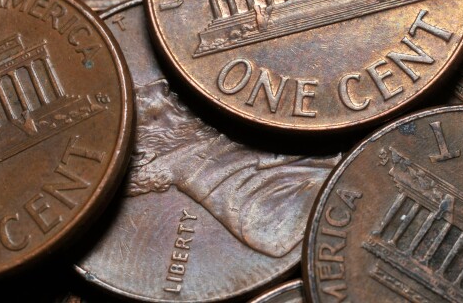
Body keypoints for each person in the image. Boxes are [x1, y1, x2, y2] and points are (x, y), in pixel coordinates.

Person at [125, 79, 338, 258]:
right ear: (145, 152)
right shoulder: (258, 220)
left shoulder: (239, 136)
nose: (163, 84)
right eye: (141, 98)